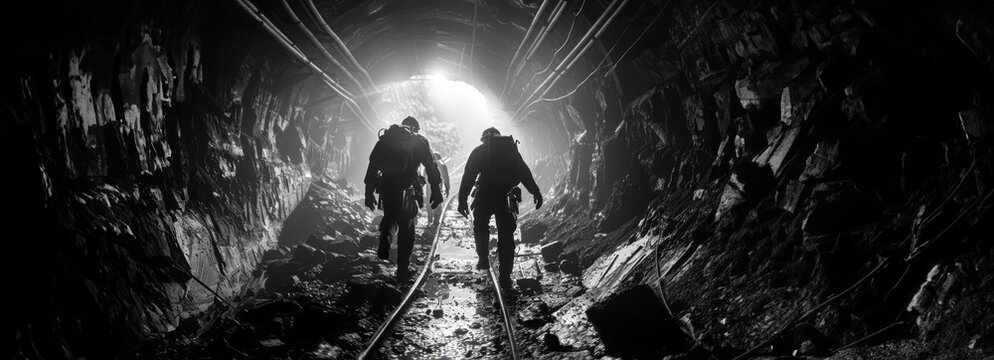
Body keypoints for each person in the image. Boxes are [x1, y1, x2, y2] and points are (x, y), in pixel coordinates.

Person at [458, 127, 542, 289]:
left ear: (484, 139)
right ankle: (505, 276)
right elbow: (524, 172)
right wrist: (536, 192)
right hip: (506, 196)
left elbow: (468, 176)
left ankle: (483, 258)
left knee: (480, 226)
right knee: (506, 235)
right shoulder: (511, 150)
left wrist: (462, 199)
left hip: (485, 195)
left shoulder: (480, 151)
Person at [365, 116, 443, 278]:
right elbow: (431, 166)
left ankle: (385, 239)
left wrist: (369, 193)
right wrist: (435, 190)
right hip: (407, 189)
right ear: (415, 129)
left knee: (390, 216)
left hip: (386, 187)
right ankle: (402, 268)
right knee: (407, 226)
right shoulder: (419, 141)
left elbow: (372, 165)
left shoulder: (386, 139)